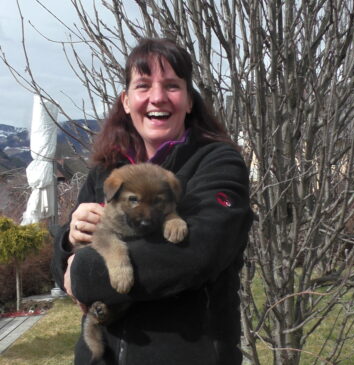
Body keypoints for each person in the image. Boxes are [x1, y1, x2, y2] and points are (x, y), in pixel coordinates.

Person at [52, 38, 253, 365]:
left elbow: (198, 253)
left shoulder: (217, 163)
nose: (157, 97)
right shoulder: (105, 172)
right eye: (143, 85)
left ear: (189, 100)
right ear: (127, 101)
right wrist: (67, 242)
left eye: (172, 86)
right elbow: (62, 266)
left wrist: (83, 272)